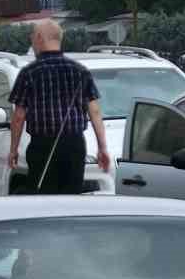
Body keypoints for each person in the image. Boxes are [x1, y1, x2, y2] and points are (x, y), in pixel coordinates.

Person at [6, 19, 111, 194]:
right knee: (72, 197)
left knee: (43, 197)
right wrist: (102, 148)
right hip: (75, 145)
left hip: (42, 146)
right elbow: (95, 111)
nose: (32, 42)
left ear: (39, 38)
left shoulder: (29, 73)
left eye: (32, 37)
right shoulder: (80, 71)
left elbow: (18, 117)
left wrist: (13, 150)